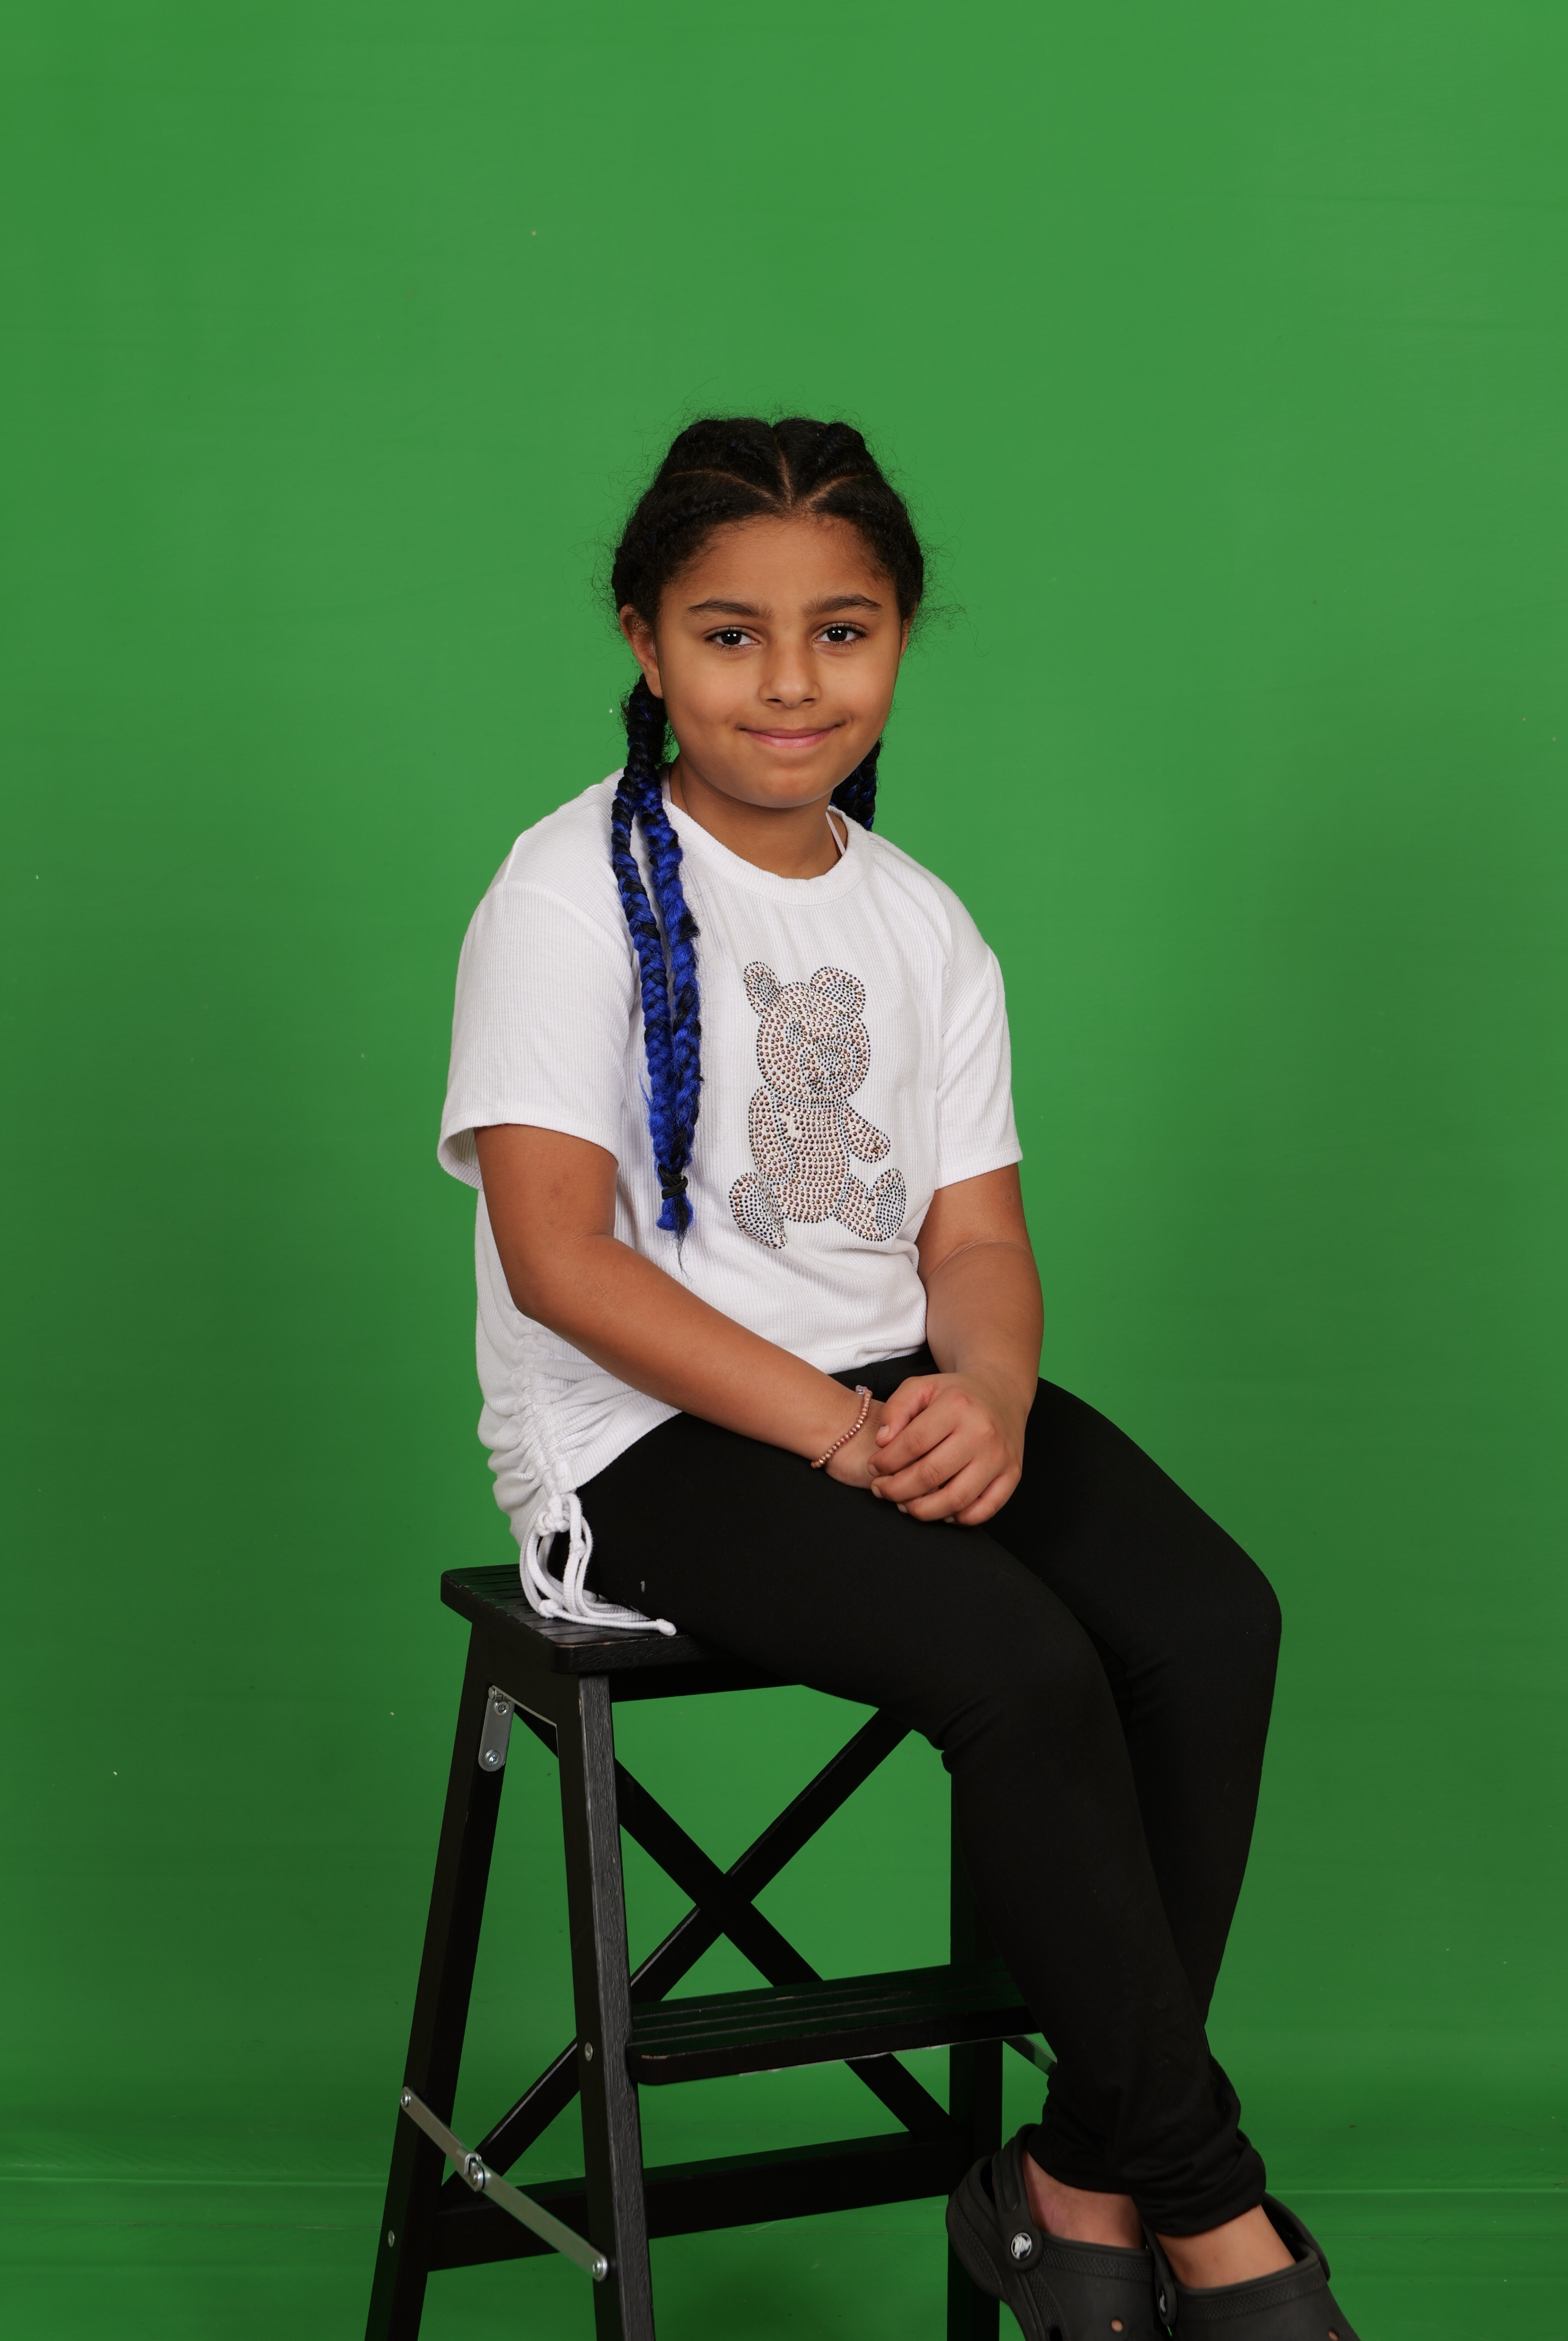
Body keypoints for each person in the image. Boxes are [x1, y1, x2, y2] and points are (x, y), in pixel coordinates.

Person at [438, 416, 1359, 2341]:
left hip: (892, 1389)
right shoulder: (564, 890)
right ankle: (1210, 2215)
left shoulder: (920, 917)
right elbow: (562, 1258)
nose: (790, 682)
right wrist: (840, 1435)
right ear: (644, 642)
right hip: (650, 1434)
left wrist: (991, 1396)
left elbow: (977, 1245)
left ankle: (1077, 2178)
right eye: (731, 634)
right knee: (1016, 1662)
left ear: (901, 642)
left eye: (840, 632)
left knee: (1211, 1620)